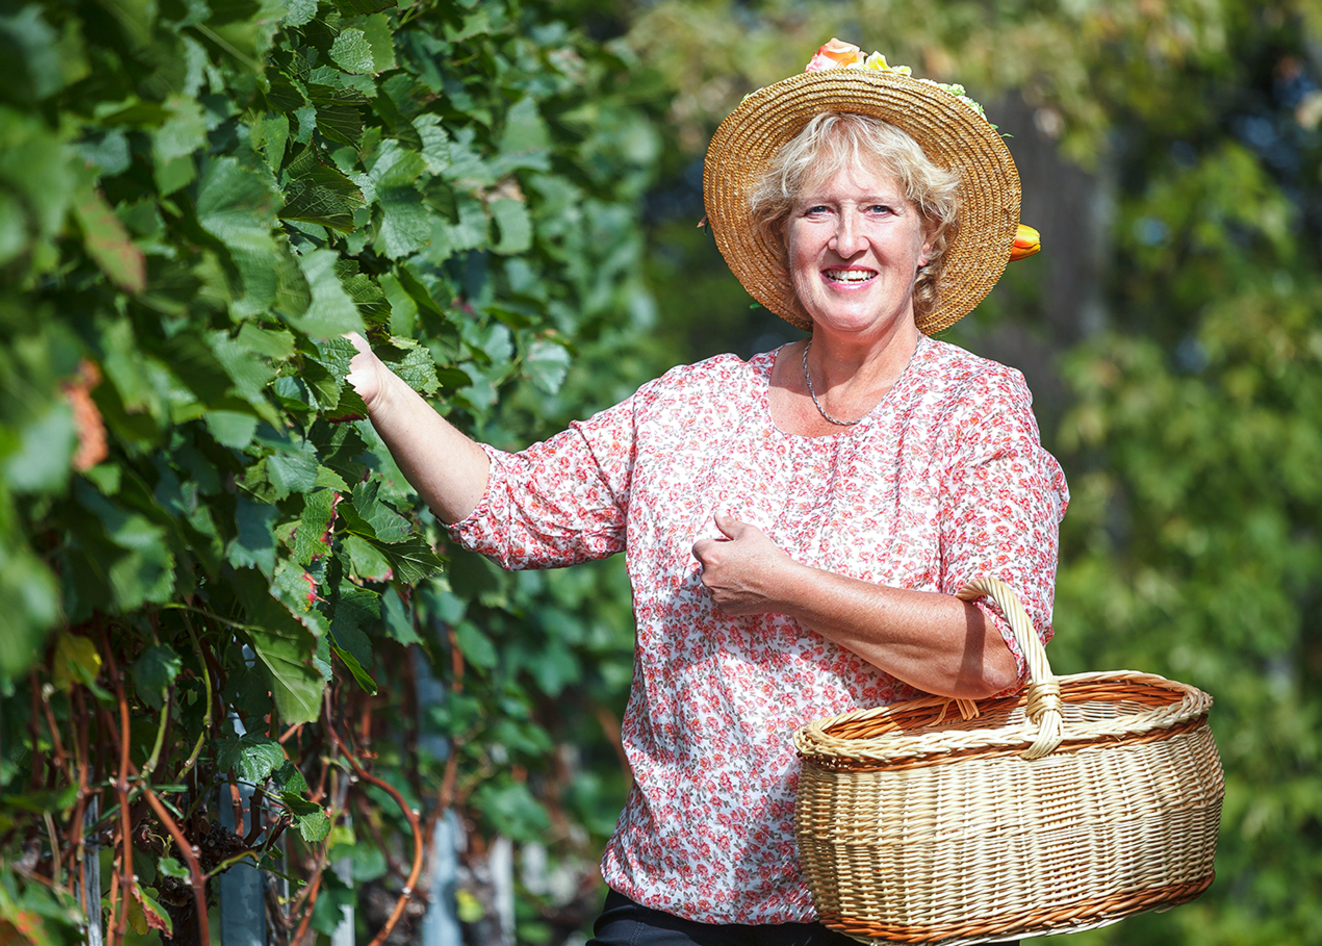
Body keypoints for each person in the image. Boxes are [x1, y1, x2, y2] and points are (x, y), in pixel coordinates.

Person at [346, 38, 1066, 946]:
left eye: (880, 208)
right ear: (784, 238)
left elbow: (999, 655)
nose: (848, 239)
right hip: (669, 903)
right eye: (818, 212)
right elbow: (510, 507)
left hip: (879, 907)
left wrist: (790, 588)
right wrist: (373, 383)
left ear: (928, 242)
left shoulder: (974, 408)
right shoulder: (693, 405)